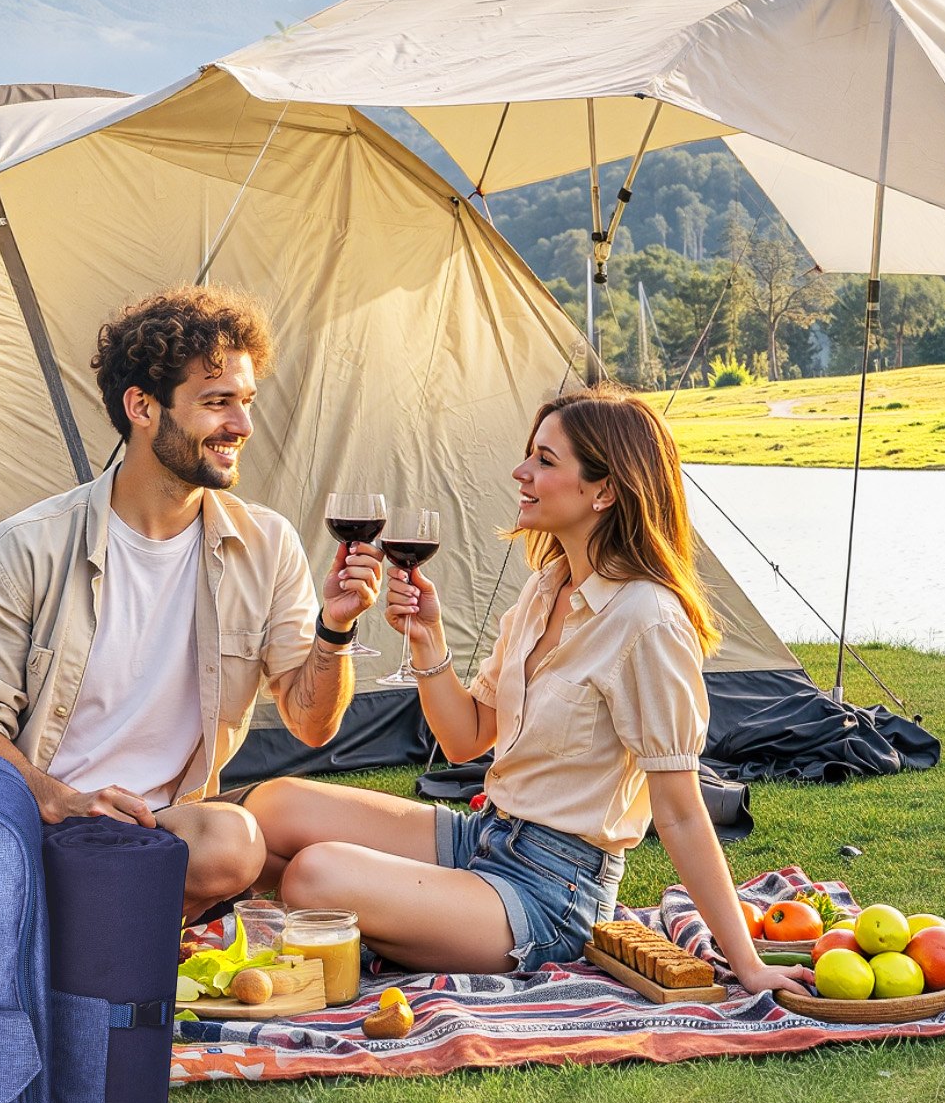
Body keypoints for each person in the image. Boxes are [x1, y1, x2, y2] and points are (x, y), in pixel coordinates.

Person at [245, 387, 814, 998]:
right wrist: (427, 639)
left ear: (604, 490)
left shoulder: (648, 620)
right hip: (485, 833)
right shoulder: (547, 588)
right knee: (272, 809)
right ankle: (394, 923)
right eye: (529, 456)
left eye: (545, 460)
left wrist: (747, 964)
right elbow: (466, 739)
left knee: (315, 876)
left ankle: (387, 924)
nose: (521, 472)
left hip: (553, 891)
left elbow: (678, 810)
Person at [0, 285, 382, 920]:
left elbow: (313, 724)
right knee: (236, 846)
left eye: (247, 403)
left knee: (309, 838)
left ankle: (104, 926)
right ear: (142, 406)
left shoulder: (267, 543)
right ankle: (119, 935)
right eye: (217, 403)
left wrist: (336, 629)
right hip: (51, 826)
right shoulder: (26, 548)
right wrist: (61, 800)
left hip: (171, 827)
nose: (243, 426)